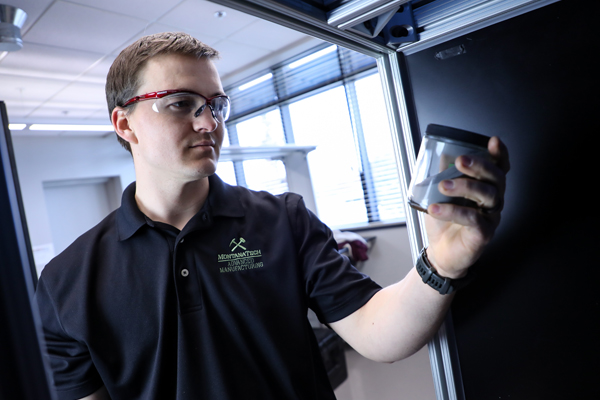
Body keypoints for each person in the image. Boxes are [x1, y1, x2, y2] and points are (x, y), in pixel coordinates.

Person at [35, 32, 510, 400]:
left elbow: (376, 332)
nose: (209, 123)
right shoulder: (66, 282)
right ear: (124, 124)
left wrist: (441, 264)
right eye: (181, 104)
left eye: (216, 105)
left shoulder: (283, 220)